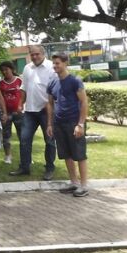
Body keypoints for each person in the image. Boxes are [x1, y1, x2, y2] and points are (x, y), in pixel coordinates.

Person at [10, 45, 57, 180]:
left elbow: (55, 91)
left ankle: (49, 168)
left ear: (43, 54)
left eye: (37, 54)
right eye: (32, 54)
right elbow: (23, 88)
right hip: (29, 110)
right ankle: (24, 167)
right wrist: (20, 103)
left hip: (46, 110)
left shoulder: (51, 67)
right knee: (24, 140)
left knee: (49, 141)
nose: (34, 57)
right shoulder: (27, 68)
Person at [46, 53, 90, 197]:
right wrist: (50, 124)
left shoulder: (75, 81)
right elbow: (50, 104)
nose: (55, 66)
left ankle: (84, 186)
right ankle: (73, 183)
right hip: (59, 123)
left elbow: (84, 102)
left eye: (57, 63)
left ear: (65, 63)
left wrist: (80, 124)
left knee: (79, 155)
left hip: (74, 123)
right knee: (66, 155)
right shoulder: (52, 82)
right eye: (54, 63)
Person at [0, 61, 23, 165]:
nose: (4, 72)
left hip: (19, 113)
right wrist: (2, 111)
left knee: (22, 136)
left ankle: (26, 156)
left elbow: (24, 94)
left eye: (6, 69)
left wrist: (22, 106)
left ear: (12, 69)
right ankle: (8, 155)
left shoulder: (19, 81)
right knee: (6, 136)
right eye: (3, 70)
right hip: (6, 113)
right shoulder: (0, 83)